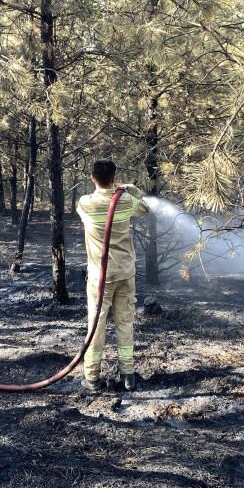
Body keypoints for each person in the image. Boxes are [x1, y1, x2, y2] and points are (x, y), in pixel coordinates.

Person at [76, 160, 150, 392]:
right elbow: (145, 209)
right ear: (114, 177)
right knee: (125, 324)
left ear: (92, 178)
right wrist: (130, 189)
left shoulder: (85, 203)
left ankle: (92, 378)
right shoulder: (126, 201)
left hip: (99, 278)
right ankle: (128, 375)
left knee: (96, 326)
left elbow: (84, 207)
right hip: (125, 275)